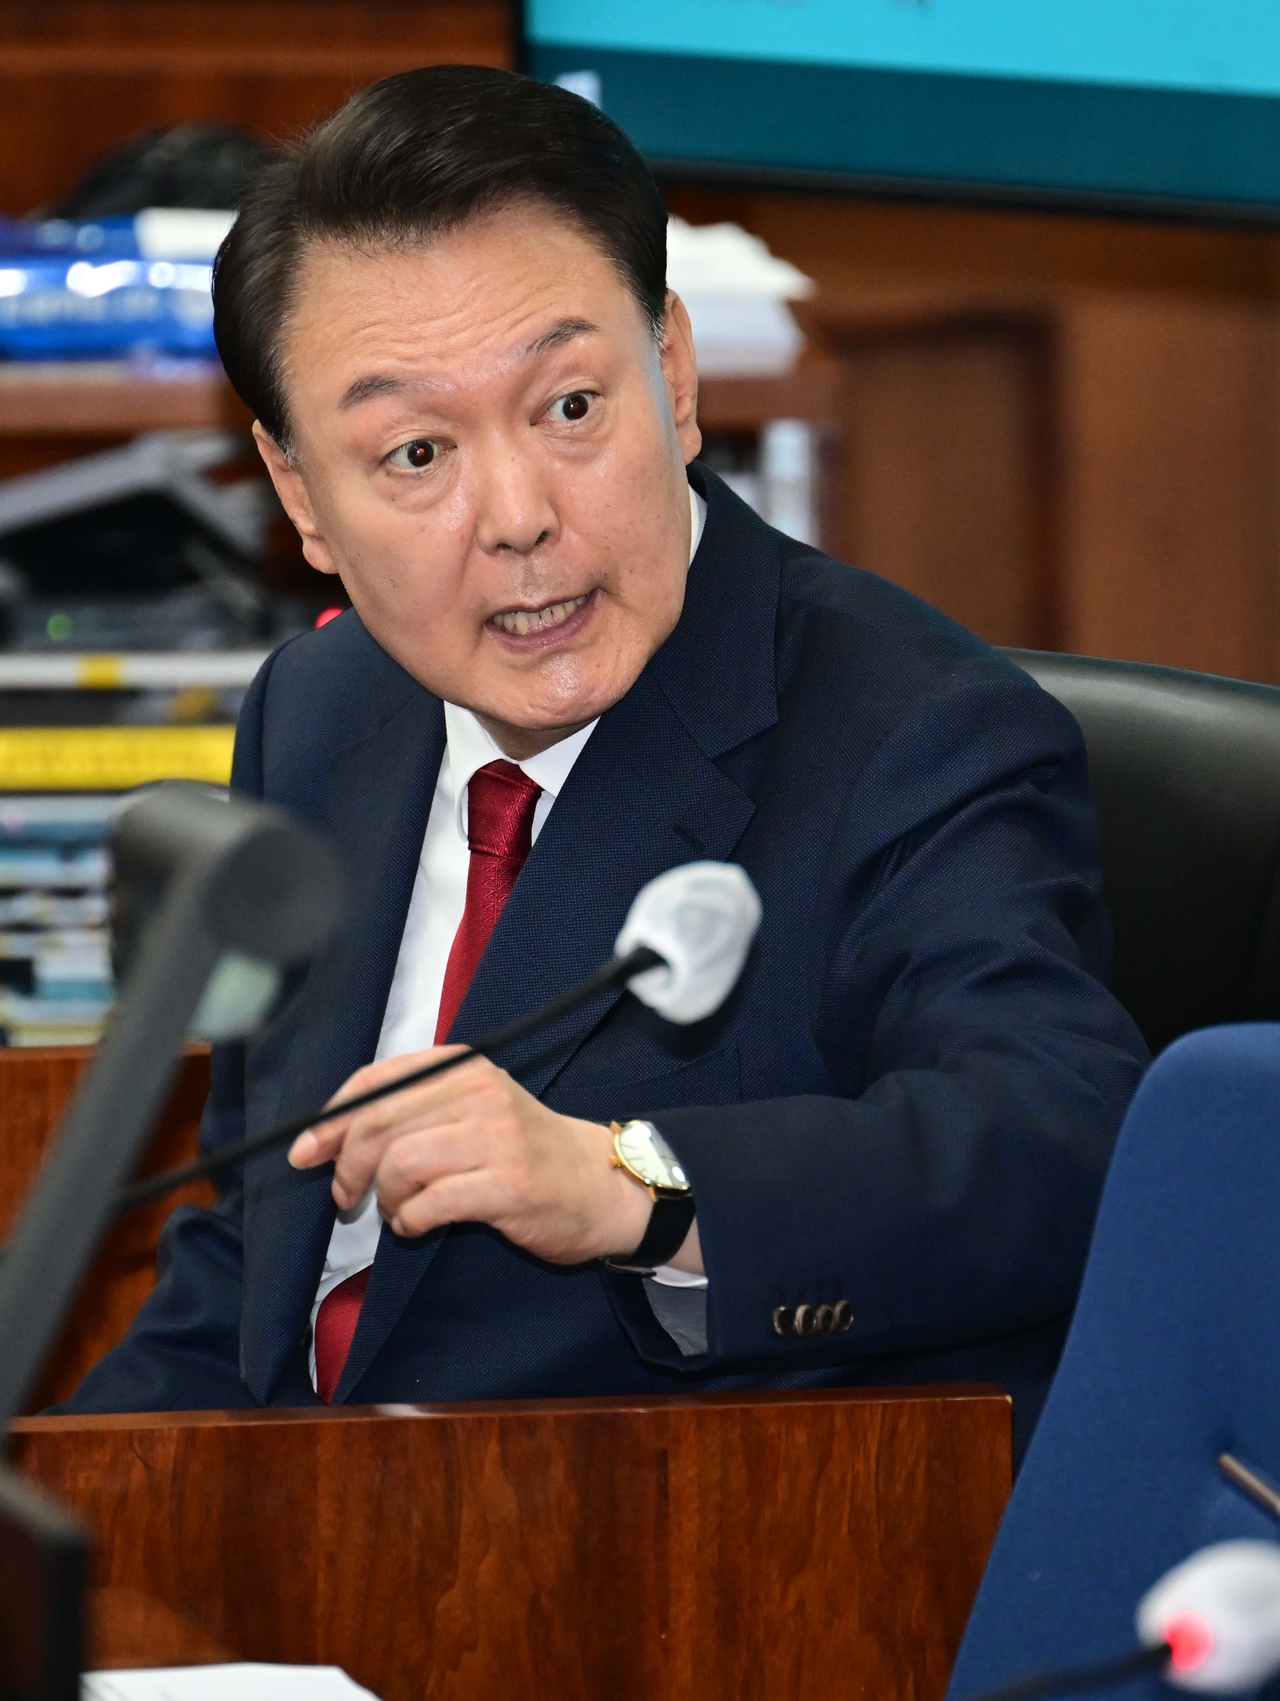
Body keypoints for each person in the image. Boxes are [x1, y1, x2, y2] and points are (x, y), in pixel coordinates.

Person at [64, 66, 1148, 1451]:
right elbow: (254, 1257)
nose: (518, 516)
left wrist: (635, 1187)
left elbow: (1064, 1147)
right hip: (305, 1546)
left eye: (570, 407)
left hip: (669, 1572)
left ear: (676, 377)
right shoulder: (322, 706)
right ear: (300, 498)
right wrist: (74, 1523)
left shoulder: (916, 732)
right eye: (413, 451)